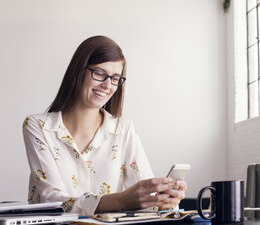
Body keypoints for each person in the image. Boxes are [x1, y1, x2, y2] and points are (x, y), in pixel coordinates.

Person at [22, 35, 187, 215]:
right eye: (100, 73)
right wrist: (120, 200)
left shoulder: (124, 129)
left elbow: (146, 199)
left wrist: (163, 200)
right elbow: (52, 201)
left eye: (115, 78)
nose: (107, 85)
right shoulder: (38, 126)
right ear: (79, 71)